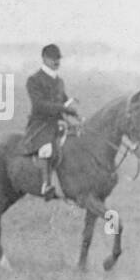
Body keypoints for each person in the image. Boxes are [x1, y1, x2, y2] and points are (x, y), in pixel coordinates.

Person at [22, 44, 80, 200]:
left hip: (59, 122)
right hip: (41, 124)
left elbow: (64, 100)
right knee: (46, 148)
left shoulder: (59, 81)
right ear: (44, 59)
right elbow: (39, 105)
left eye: (58, 58)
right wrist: (63, 108)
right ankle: (46, 185)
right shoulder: (34, 80)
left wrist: (74, 111)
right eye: (53, 59)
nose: (56, 61)